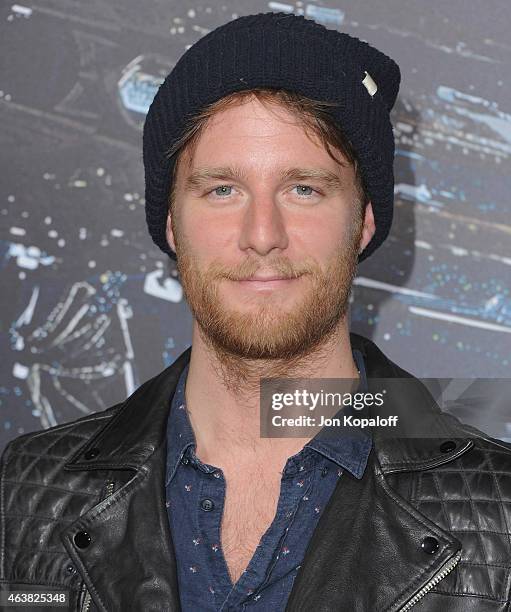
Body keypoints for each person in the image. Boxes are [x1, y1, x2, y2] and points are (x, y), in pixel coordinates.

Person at [1, 11, 510, 612]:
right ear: (170, 222)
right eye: (222, 190)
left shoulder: (501, 509)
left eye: (304, 189)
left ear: (365, 221)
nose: (262, 235)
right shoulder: (22, 489)